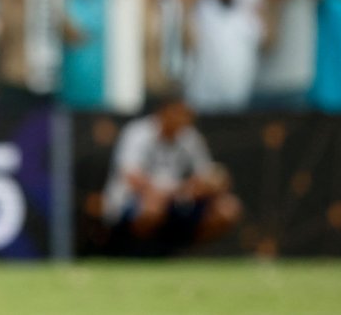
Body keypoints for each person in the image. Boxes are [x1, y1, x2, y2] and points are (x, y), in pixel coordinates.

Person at [101, 95, 242, 256]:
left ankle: (190, 254)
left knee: (228, 208)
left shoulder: (190, 137)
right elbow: (131, 176)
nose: (184, 120)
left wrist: (210, 183)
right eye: (179, 114)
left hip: (179, 200)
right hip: (132, 202)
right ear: (164, 112)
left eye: (188, 115)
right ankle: (140, 255)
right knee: (153, 203)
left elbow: (208, 174)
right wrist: (167, 191)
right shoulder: (137, 133)